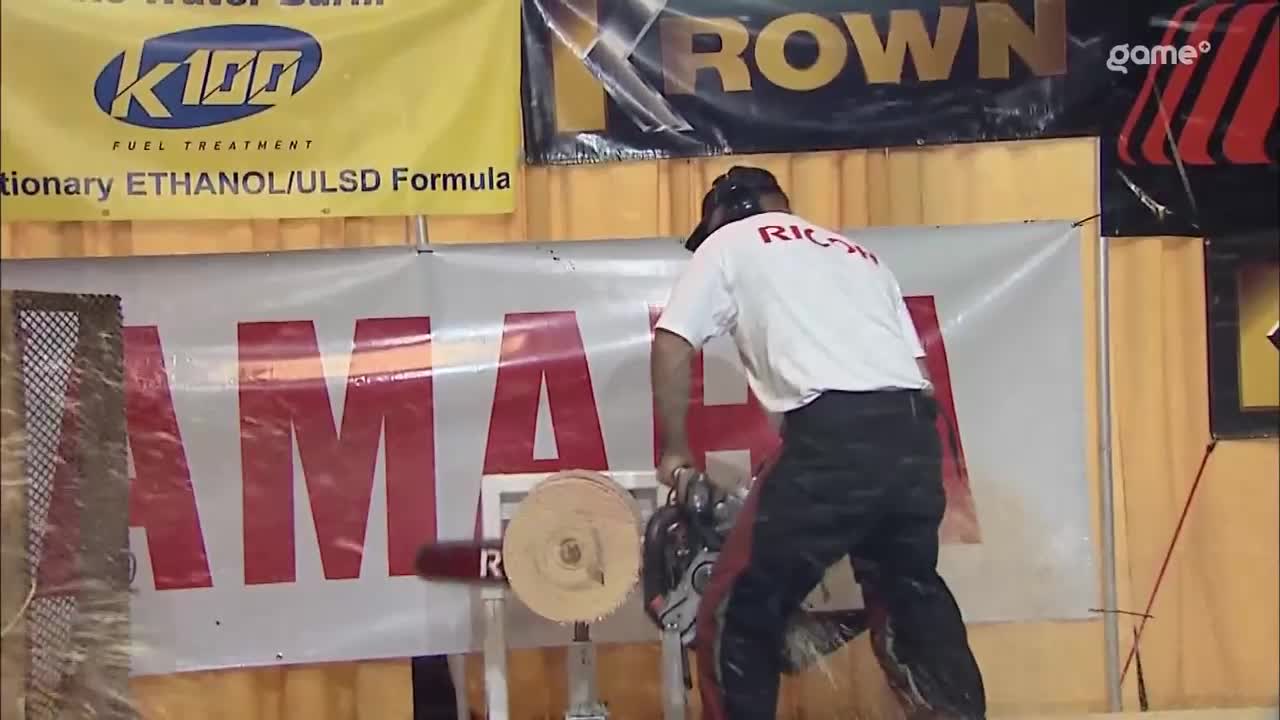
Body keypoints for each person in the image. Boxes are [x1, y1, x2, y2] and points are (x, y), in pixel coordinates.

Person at [651, 166, 986, 720]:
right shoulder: (859, 255)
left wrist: (676, 451)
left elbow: (672, 341)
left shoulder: (729, 241)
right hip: (911, 434)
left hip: (834, 437)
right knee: (911, 599)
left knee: (737, 612)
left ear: (726, 213)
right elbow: (916, 368)